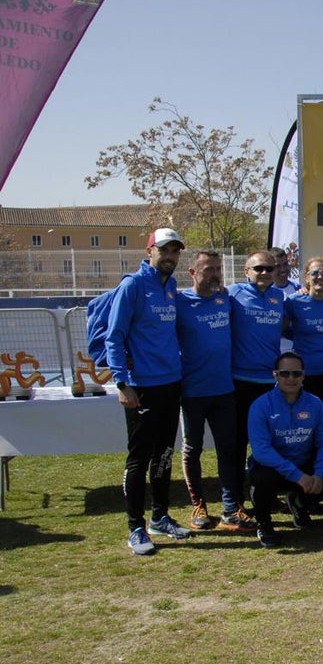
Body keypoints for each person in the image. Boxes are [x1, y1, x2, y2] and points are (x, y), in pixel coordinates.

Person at [106, 227, 191, 555]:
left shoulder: (170, 286)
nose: (170, 257)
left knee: (165, 455)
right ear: (150, 250)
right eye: (165, 250)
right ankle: (135, 527)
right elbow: (114, 337)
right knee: (138, 459)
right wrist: (122, 383)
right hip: (141, 387)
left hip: (171, 384)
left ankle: (160, 516)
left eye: (175, 252)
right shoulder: (133, 285)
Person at [174, 249, 252, 533]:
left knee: (228, 450)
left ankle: (231, 508)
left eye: (218, 268)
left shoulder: (225, 299)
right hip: (192, 392)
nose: (216, 274)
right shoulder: (180, 303)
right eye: (209, 269)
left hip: (224, 390)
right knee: (192, 449)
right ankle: (198, 506)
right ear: (193, 272)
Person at [247, 352, 323, 548]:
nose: (291, 378)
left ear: (303, 376)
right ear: (275, 375)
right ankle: (264, 524)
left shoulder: (315, 403)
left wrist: (319, 475)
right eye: (285, 373)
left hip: (304, 465)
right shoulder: (261, 406)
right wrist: (297, 476)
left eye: (296, 374)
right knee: (262, 476)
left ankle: (298, 503)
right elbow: (262, 451)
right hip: (276, 469)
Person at [228, 250, 287, 507]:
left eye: (269, 268)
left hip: (269, 383)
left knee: (268, 441)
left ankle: (266, 494)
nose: (264, 273)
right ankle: (236, 500)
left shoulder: (279, 296)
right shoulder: (232, 295)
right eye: (258, 268)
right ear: (246, 272)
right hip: (240, 381)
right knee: (238, 442)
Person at [285, 257, 323, 410]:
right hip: (305, 373)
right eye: (315, 273)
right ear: (306, 277)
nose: (320, 276)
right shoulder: (294, 301)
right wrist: (296, 336)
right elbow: (280, 329)